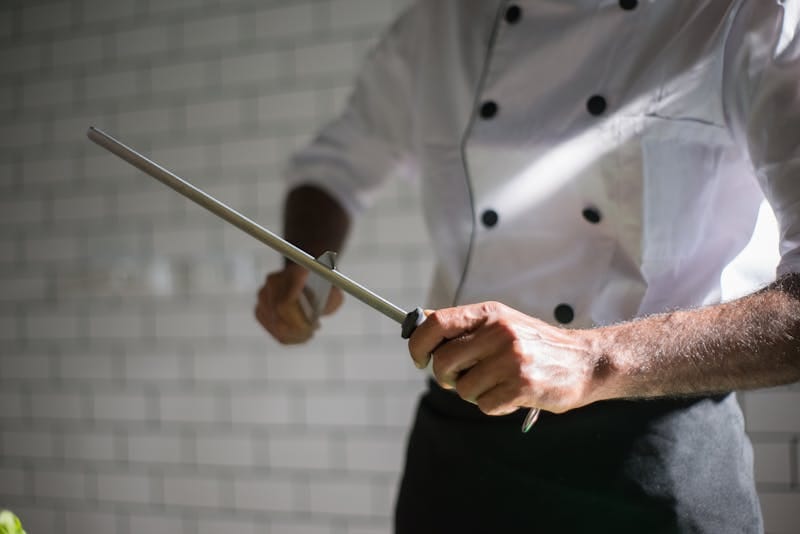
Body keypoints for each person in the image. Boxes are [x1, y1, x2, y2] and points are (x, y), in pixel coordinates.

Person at [255, 1, 800, 532]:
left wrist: (591, 359)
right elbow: (333, 167)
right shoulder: (440, 22)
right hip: (463, 455)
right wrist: (303, 266)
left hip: (655, 454)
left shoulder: (748, 12)